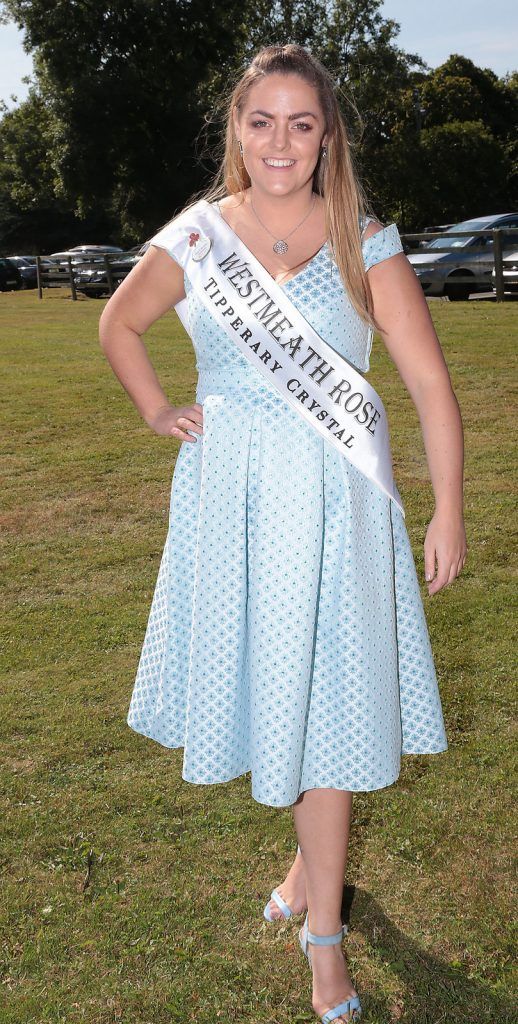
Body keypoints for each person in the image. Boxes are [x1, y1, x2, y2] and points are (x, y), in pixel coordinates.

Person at [99, 42, 467, 1024]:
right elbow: (119, 324)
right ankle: (311, 872)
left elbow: (428, 383)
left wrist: (449, 507)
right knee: (284, 698)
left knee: (330, 713)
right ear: (236, 128)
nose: (280, 142)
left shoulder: (363, 238)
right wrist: (155, 409)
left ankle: (322, 940)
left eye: (301, 123)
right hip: (232, 507)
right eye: (261, 120)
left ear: (327, 135)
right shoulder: (197, 236)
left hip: (336, 507)